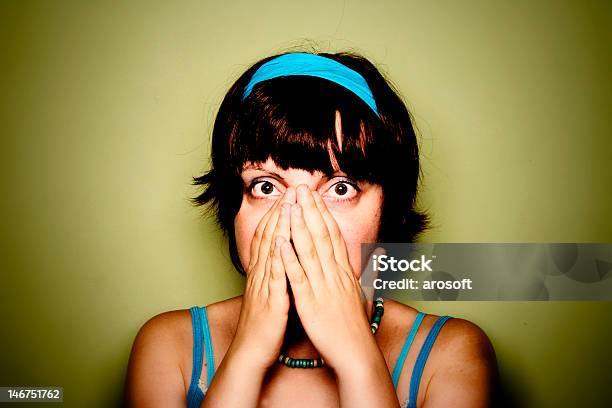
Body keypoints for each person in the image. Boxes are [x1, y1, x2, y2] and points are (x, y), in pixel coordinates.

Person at [124, 51, 498, 407]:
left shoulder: (450, 354)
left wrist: (356, 359)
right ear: (233, 208)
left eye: (340, 188)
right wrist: (248, 352)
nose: (298, 219)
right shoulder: (169, 347)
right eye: (266, 187)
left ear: (388, 211)